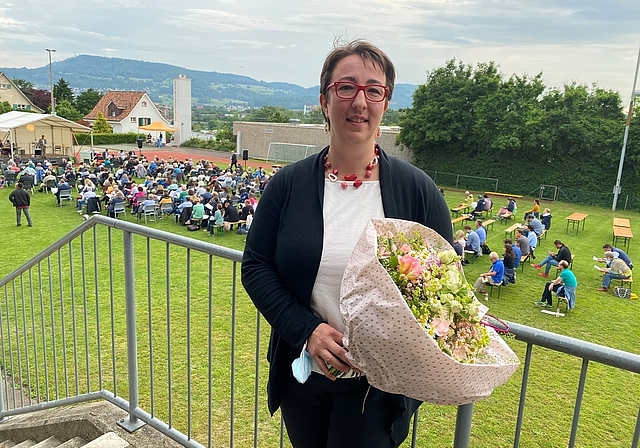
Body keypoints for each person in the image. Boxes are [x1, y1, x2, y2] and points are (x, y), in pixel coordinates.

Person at [241, 39, 452, 448]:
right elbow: (256, 265)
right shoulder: (288, 185)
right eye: (347, 87)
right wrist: (307, 332)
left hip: (380, 387)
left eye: (374, 90)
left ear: (385, 104)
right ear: (324, 100)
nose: (360, 101)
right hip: (305, 373)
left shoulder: (418, 192)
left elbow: (446, 284)